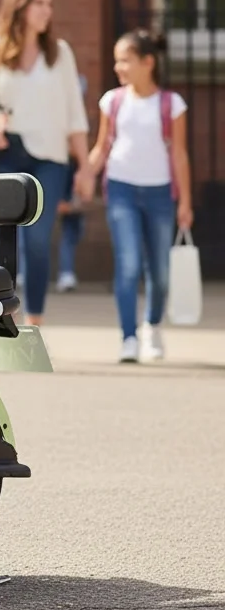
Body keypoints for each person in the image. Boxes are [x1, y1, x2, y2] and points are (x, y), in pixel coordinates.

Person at [0, 0, 95, 326]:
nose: (46, 11)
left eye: (49, 4)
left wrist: (85, 168)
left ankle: (33, 324)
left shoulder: (60, 53)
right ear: (19, 7)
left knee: (38, 242)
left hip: (50, 160)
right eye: (39, 3)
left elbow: (74, 115)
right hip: (5, 155)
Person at [87, 30, 193, 363]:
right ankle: (129, 337)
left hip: (160, 193)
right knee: (129, 263)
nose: (118, 67)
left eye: (125, 60)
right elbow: (102, 146)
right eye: (117, 60)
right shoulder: (112, 101)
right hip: (121, 190)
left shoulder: (172, 104)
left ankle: (152, 326)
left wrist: (185, 202)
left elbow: (179, 155)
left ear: (148, 62)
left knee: (160, 272)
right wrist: (85, 173)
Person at [56, 75, 90, 293]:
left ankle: (66, 272)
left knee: (73, 227)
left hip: (73, 168)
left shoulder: (80, 114)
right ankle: (22, 272)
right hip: (56, 165)